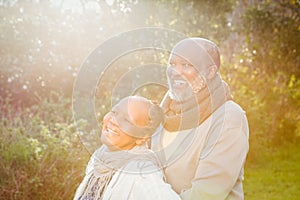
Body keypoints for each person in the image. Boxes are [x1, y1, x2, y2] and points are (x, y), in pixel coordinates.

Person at [151, 38, 249, 199]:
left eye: (187, 65)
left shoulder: (229, 118)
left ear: (210, 72)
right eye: (172, 64)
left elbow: (206, 194)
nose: (176, 72)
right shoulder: (166, 110)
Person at [73, 96, 180, 200]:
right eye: (114, 112)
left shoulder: (141, 171)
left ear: (142, 138)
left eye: (127, 120)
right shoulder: (101, 155)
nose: (113, 120)